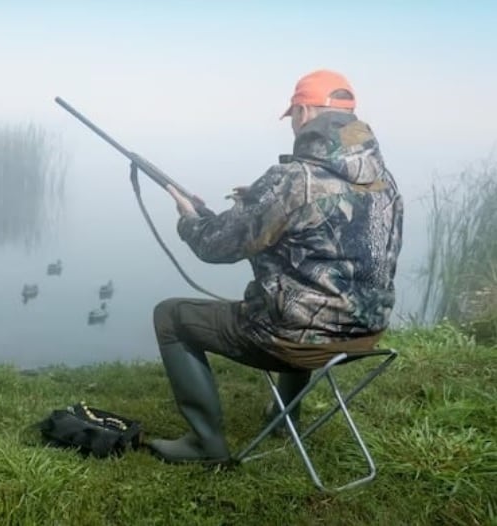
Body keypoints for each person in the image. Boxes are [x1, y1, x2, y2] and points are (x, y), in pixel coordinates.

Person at [150, 69, 404, 465]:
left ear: (303, 112)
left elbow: (215, 246)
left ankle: (204, 444)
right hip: (365, 337)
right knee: (306, 298)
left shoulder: (292, 179)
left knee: (169, 316)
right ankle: (287, 420)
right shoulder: (384, 180)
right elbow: (331, 228)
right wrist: (258, 202)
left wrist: (189, 218)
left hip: (294, 342)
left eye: (293, 117)